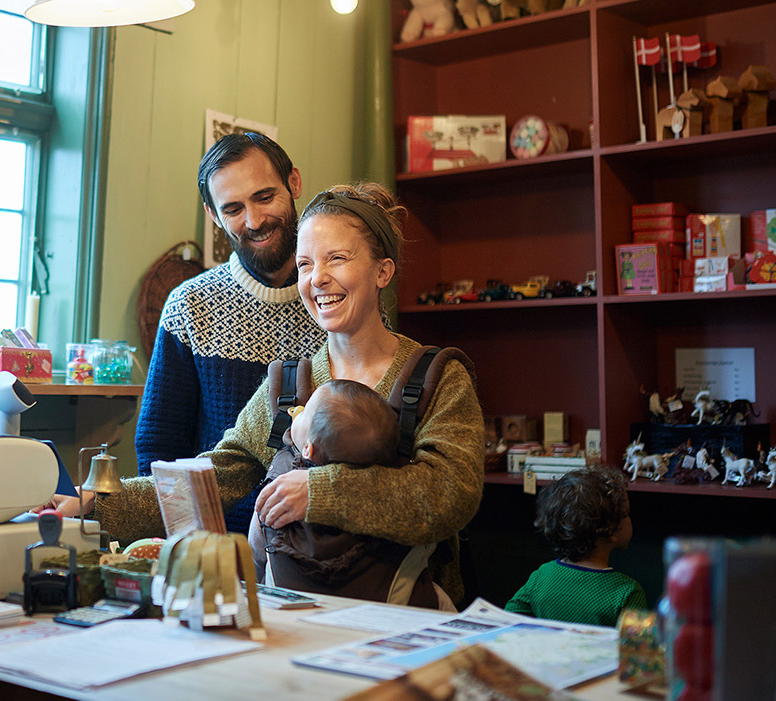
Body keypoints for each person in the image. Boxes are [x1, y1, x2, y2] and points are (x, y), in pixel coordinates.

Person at [85, 182, 485, 607]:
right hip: (298, 621)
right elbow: (216, 477)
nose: (318, 279)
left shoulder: (439, 376)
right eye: (306, 264)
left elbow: (451, 492)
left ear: (383, 272)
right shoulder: (289, 385)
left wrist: (318, 492)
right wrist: (95, 504)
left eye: (338, 259)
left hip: (407, 624)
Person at [134, 132, 326, 534]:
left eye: (264, 197)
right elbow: (160, 446)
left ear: (294, 183)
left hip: (319, 547)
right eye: (234, 208)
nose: (254, 221)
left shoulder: (338, 299)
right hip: (219, 546)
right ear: (213, 214)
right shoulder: (189, 306)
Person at [246, 379, 398, 578]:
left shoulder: (280, 487)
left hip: (290, 598)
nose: (298, 409)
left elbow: (256, 555)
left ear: (308, 449)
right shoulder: (383, 505)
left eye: (306, 411)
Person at [506, 467, 648, 627]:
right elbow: (638, 650)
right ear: (611, 529)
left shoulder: (541, 576)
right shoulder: (627, 593)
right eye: (626, 513)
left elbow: (508, 619)